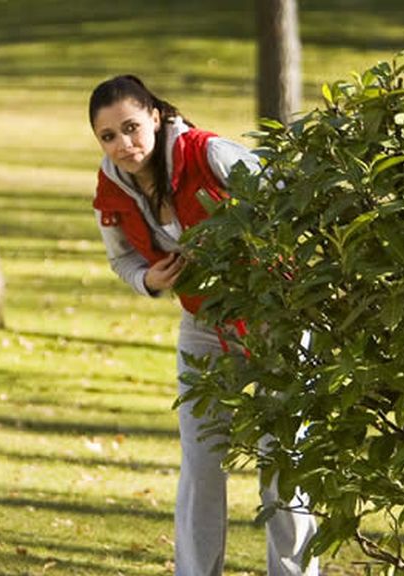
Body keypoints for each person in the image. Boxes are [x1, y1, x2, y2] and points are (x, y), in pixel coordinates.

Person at [88, 74, 318, 576]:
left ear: (155, 116)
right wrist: (147, 279)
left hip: (275, 320)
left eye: (131, 127)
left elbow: (286, 204)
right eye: (108, 136)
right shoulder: (112, 186)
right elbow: (120, 260)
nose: (123, 144)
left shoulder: (210, 153)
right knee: (201, 464)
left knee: (282, 461)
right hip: (202, 324)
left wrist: (270, 290)